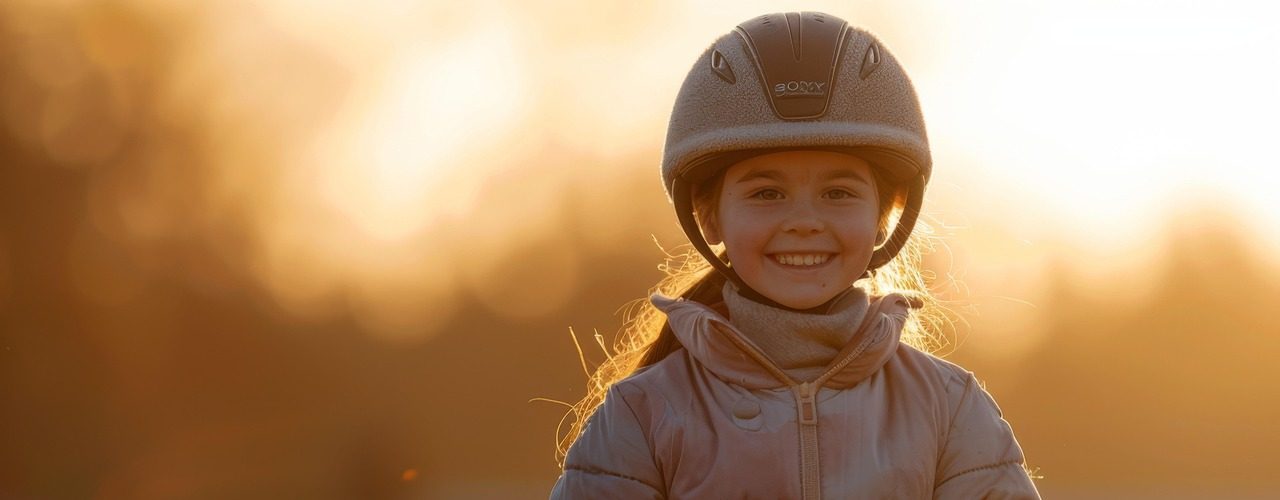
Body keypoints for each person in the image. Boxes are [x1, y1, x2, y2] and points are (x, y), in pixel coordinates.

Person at [550, 11, 1040, 499]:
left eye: (838, 193)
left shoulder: (949, 408)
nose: (804, 221)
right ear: (709, 217)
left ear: (883, 217)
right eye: (766, 194)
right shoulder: (641, 413)